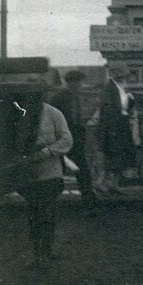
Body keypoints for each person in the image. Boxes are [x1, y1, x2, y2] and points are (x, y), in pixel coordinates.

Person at [11, 86, 73, 269]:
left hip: (50, 174)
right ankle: (38, 255)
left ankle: (44, 254)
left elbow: (67, 140)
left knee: (46, 213)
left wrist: (47, 151)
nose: (33, 99)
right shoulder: (19, 113)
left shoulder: (54, 114)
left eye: (38, 95)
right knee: (33, 215)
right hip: (28, 176)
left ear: (43, 95)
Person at [48, 70, 95, 209]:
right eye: (79, 82)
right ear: (72, 83)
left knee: (80, 170)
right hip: (62, 139)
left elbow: (77, 119)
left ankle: (89, 200)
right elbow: (53, 119)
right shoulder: (59, 98)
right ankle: (50, 201)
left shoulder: (74, 97)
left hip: (75, 139)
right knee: (61, 170)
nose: (81, 85)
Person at [98, 65, 136, 194]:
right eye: (125, 75)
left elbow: (124, 107)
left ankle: (114, 185)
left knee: (122, 156)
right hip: (114, 125)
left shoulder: (120, 87)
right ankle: (101, 183)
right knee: (112, 156)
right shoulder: (110, 88)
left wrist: (130, 100)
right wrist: (112, 128)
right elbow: (109, 110)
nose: (127, 77)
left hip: (122, 124)